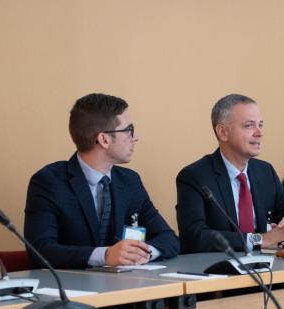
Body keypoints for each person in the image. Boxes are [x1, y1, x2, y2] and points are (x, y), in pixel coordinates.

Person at [24, 93, 180, 269]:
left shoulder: (129, 181)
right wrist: (105, 256)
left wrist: (141, 253)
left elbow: (169, 239)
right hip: (73, 289)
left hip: (128, 288)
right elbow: (40, 251)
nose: (135, 138)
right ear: (104, 139)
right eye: (129, 130)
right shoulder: (49, 182)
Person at [176, 94, 284, 253]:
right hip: (219, 271)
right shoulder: (195, 177)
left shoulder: (265, 171)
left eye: (260, 125)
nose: (259, 132)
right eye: (249, 126)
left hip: (270, 267)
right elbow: (194, 236)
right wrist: (261, 239)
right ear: (223, 132)